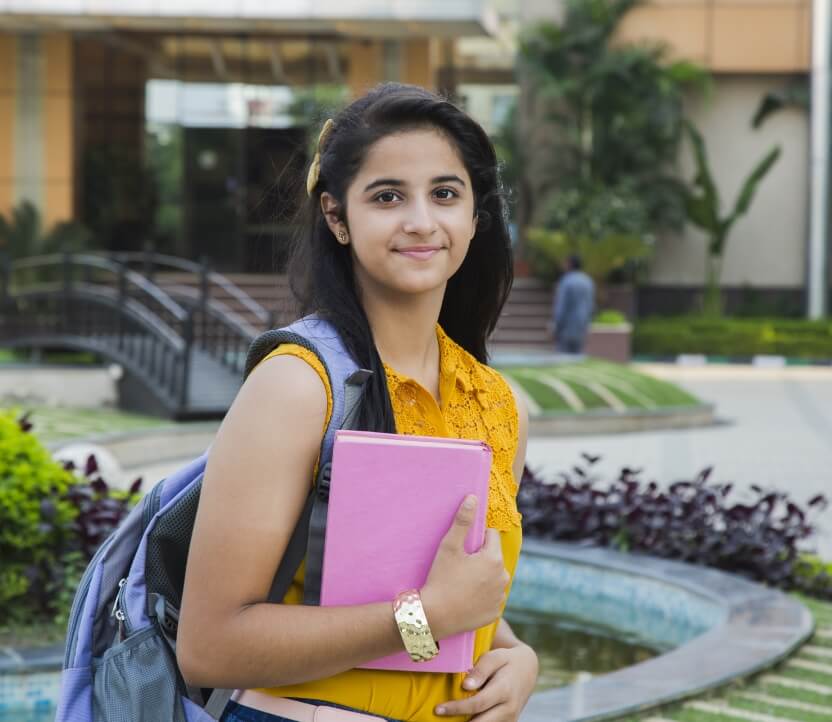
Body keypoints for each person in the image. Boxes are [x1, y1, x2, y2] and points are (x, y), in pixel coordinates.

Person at [177, 83, 538, 722]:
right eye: (388, 196)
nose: (422, 220)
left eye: (445, 194)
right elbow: (208, 647)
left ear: (475, 216)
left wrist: (515, 657)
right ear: (337, 218)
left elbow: (463, 604)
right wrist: (425, 618)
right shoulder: (296, 386)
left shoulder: (498, 404)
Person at [551, 254, 595, 354]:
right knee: (577, 360)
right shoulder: (588, 281)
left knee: (563, 361)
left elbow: (561, 307)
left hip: (566, 328)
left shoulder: (566, 281)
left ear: (570, 264)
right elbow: (591, 306)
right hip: (582, 327)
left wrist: (556, 326)